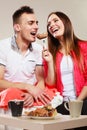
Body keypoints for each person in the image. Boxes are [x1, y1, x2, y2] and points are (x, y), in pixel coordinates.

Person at [0, 5, 51, 130]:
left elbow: (40, 81)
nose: (36, 27)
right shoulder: (3, 47)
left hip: (31, 98)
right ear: (17, 27)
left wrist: (33, 94)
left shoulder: (39, 49)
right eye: (31, 23)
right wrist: (28, 87)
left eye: (36, 23)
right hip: (10, 99)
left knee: (49, 97)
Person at [42, 11, 87, 129]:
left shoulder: (84, 47)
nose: (51, 25)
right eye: (48, 24)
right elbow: (50, 84)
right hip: (62, 105)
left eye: (55, 20)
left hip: (83, 102)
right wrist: (50, 62)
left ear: (66, 23)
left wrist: (77, 102)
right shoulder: (51, 54)